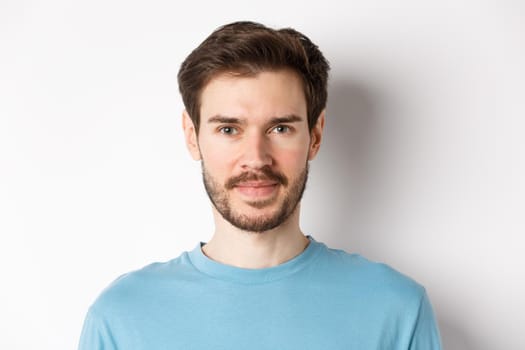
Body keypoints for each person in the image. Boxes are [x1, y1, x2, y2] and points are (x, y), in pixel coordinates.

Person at [78, 21, 442, 349]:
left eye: (280, 128)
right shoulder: (121, 319)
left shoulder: (396, 310)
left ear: (315, 136)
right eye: (229, 129)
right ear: (192, 137)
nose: (256, 157)